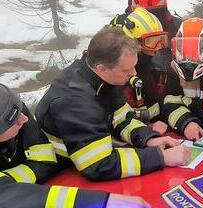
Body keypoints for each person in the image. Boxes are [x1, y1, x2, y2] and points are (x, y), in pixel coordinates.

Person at [35, 27, 190, 182]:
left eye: (134, 66)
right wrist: (161, 157)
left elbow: (122, 118)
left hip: (81, 159)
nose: (134, 74)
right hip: (60, 172)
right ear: (101, 68)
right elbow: (99, 164)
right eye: (126, 70)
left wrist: (148, 139)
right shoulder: (75, 101)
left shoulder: (102, 77)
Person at [0, 84, 150, 207]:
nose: (25, 119)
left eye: (20, 108)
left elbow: (45, 161)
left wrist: (8, 180)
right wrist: (102, 202)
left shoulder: (10, 108)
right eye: (13, 120)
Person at [162, 18, 203, 140]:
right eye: (184, 46)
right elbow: (170, 102)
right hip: (192, 137)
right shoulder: (174, 69)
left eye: (200, 45)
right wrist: (186, 123)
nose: (189, 57)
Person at [121, 7, 170, 134]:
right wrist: (147, 129)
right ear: (133, 42)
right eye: (151, 41)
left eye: (160, 40)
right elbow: (116, 120)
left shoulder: (155, 68)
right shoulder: (118, 75)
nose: (157, 47)